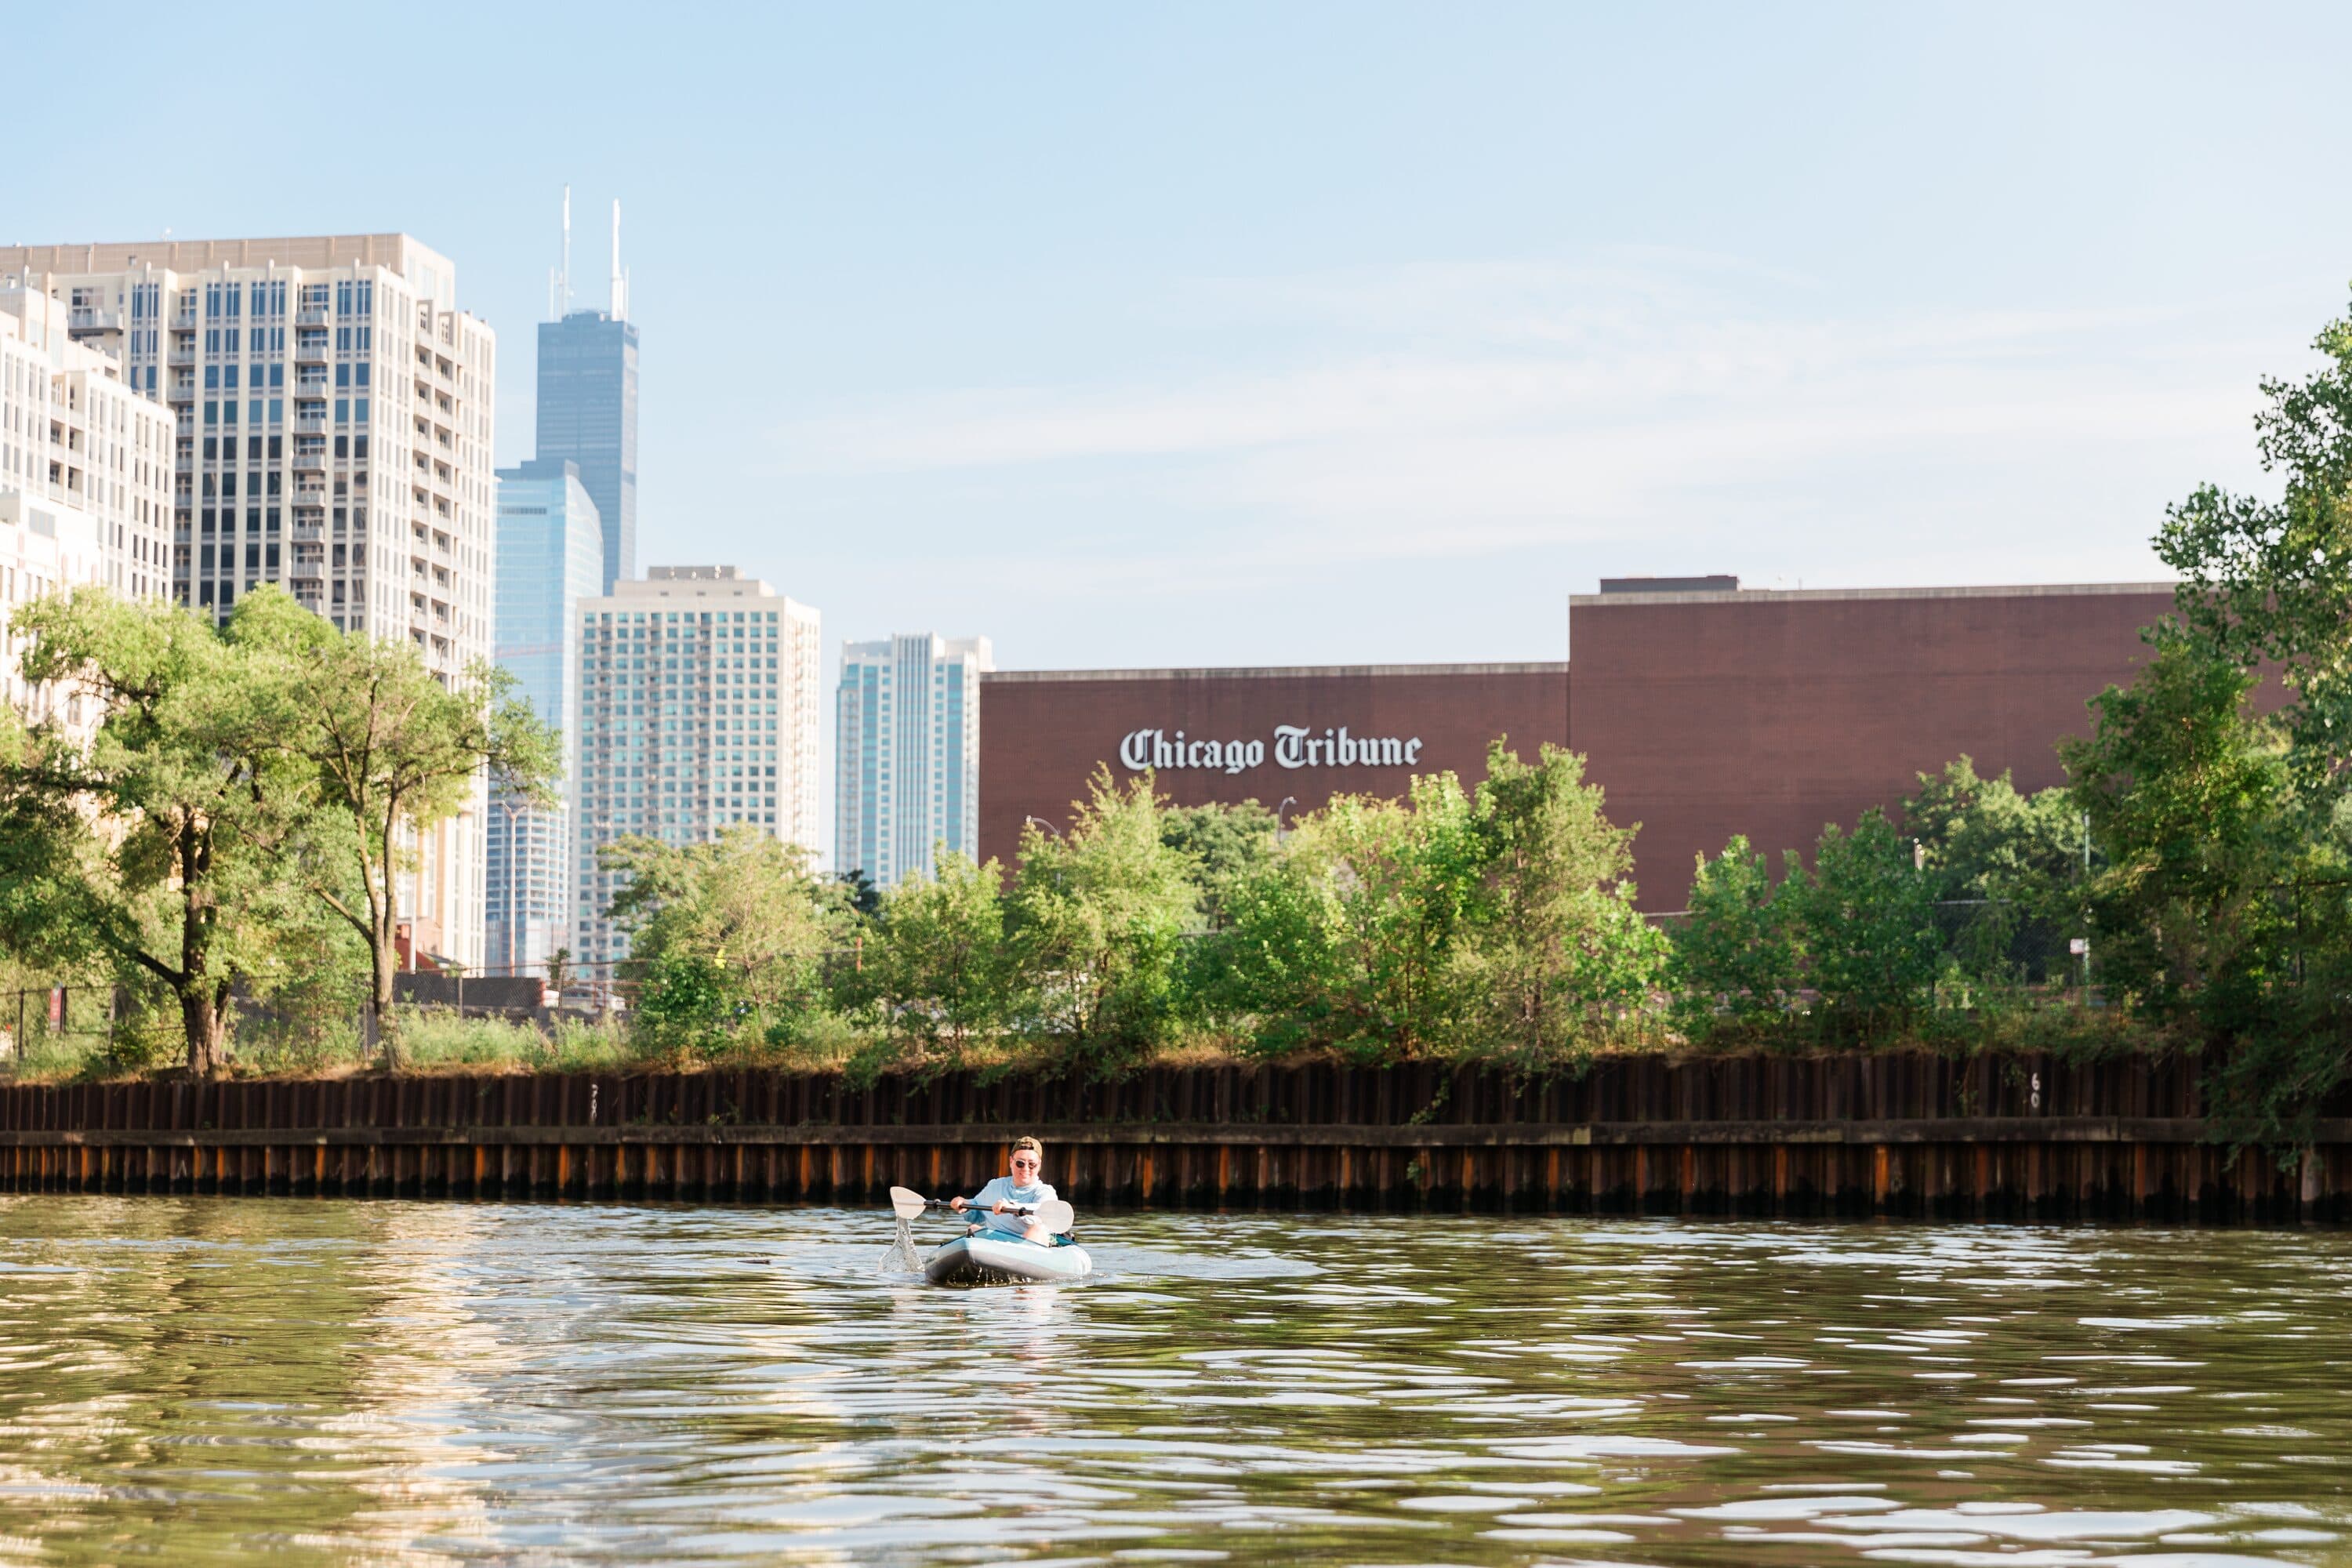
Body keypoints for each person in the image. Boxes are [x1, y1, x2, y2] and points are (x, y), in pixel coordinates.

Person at [951, 1136, 1062, 1245]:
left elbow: (1041, 1213)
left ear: (1039, 1166)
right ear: (1011, 1161)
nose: (1026, 1169)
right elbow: (976, 1213)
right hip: (997, 1244)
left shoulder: (1046, 1192)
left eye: (1032, 1165)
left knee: (1036, 1230)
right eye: (1020, 1163)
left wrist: (1013, 1208)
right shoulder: (995, 1186)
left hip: (1027, 1247)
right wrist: (965, 1204)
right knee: (974, 1229)